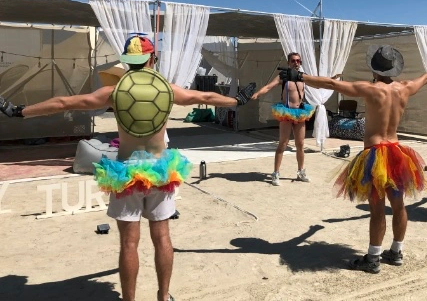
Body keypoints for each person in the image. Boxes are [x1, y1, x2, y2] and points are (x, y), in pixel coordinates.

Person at [0, 34, 256, 301]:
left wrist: (19, 111)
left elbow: (64, 103)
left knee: (128, 243)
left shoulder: (114, 91)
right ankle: (163, 296)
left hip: (125, 173)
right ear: (152, 58)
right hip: (160, 170)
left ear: (128, 61)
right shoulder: (168, 89)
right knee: (162, 238)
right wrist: (237, 101)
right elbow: (202, 95)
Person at [279, 44, 427, 273]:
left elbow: (332, 84)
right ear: (394, 69)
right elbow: (423, 79)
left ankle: (373, 258)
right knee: (399, 205)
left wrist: (300, 76)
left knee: (377, 209)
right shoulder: (405, 88)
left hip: (376, 153)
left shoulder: (371, 89)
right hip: (396, 152)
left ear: (374, 68)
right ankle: (396, 252)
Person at [251, 52, 315, 186]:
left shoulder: (303, 77)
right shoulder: (283, 76)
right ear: (288, 62)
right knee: (283, 143)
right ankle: (276, 173)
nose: (296, 63)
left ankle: (301, 171)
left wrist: (332, 80)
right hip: (286, 111)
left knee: (300, 144)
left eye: (298, 61)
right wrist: (257, 93)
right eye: (293, 61)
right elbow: (269, 86)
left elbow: (319, 83)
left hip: (300, 112)